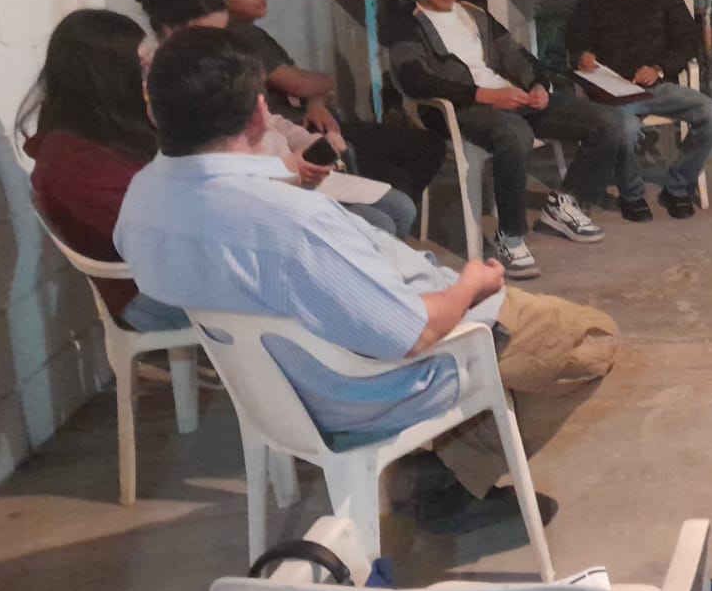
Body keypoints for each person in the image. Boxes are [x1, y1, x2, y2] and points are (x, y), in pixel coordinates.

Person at [115, 27, 620, 532]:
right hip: (366, 386)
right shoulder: (295, 224)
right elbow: (414, 334)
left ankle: (445, 467)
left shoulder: (142, 199)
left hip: (271, 388)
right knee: (590, 339)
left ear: (156, 113)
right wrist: (472, 284)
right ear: (258, 114)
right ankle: (449, 481)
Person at [388, 0, 633, 279]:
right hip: (459, 108)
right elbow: (415, 80)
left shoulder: (474, 15)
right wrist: (484, 95)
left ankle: (566, 202)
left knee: (608, 121)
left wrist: (537, 85)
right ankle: (510, 236)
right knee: (515, 133)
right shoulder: (407, 24)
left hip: (507, 98)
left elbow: (517, 56)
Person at [133, 0, 418, 239]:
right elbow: (220, 169)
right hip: (264, 193)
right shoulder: (173, 88)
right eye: (208, 34)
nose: (220, 42)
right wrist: (289, 169)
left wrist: (309, 144)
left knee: (400, 206)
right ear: (171, 32)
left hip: (289, 171)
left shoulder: (222, 62)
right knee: (378, 222)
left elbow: (273, 120)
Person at [192, 0, 446, 207]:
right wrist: (320, 87)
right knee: (402, 174)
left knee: (423, 150)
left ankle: (391, 221)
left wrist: (315, 101)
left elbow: (307, 86)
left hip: (309, 127)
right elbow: (301, 84)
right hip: (292, 141)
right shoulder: (237, 38)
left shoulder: (254, 32)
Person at [17, 9, 186, 332]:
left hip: (166, 272)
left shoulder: (104, 134)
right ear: (109, 78)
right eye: (141, 66)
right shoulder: (75, 161)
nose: (152, 75)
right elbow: (161, 235)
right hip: (147, 295)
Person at [566, 0, 712, 220]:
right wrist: (583, 55)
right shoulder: (594, 0)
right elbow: (577, 39)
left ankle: (678, 187)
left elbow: (688, 40)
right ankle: (632, 193)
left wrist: (659, 68)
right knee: (624, 130)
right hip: (614, 91)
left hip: (657, 86)